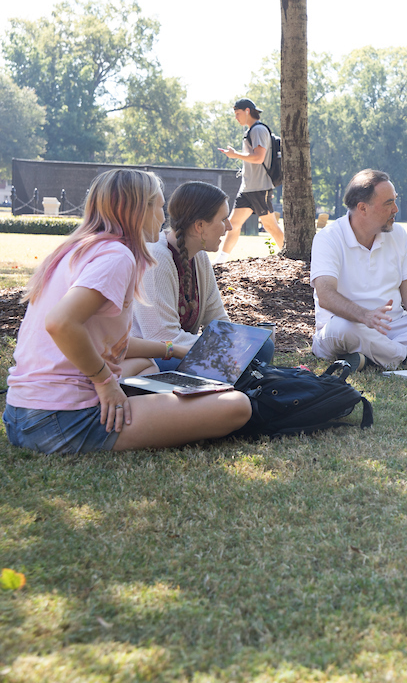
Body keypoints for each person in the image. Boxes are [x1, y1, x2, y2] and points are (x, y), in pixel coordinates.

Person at [4, 169, 252, 454]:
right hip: (62, 420)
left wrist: (173, 350)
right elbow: (60, 323)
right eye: (159, 207)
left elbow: (107, 343)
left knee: (146, 365)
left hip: (21, 413)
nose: (163, 217)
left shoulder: (76, 249)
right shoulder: (117, 257)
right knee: (236, 405)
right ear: (137, 210)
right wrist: (105, 383)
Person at [310, 169, 407, 370]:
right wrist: (364, 316)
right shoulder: (328, 238)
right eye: (388, 203)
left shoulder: (398, 234)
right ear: (363, 208)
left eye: (395, 200)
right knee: (344, 328)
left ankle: (369, 356)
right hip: (345, 325)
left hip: (392, 327)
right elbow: (325, 295)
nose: (396, 209)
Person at [132, 181, 275, 371]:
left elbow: (218, 322)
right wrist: (227, 348)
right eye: (223, 219)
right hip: (157, 356)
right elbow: (163, 337)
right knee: (241, 353)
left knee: (263, 346)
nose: (230, 226)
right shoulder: (156, 257)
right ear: (199, 226)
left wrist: (234, 344)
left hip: (185, 348)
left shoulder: (199, 256)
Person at [213, 98, 284, 262]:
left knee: (270, 226)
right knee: (233, 224)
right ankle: (220, 261)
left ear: (247, 111)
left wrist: (235, 155)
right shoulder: (252, 130)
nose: (236, 117)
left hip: (260, 187)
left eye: (238, 113)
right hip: (248, 188)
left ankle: (292, 258)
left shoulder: (258, 130)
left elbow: (259, 158)